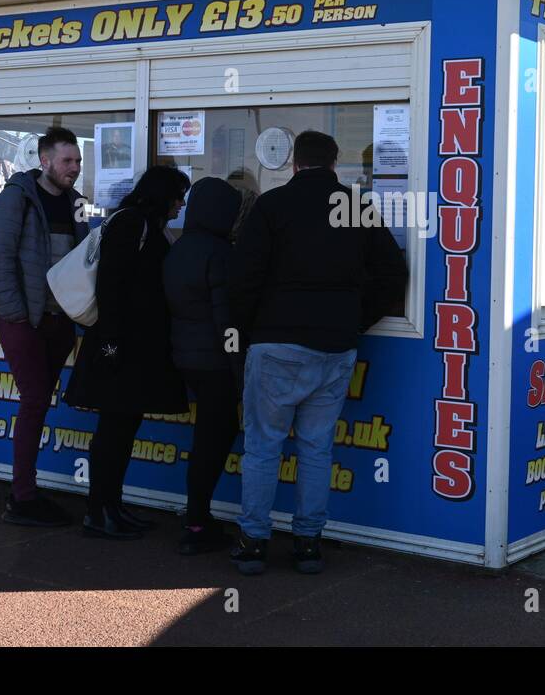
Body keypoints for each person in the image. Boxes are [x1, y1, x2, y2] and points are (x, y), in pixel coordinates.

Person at [227, 130, 408, 575]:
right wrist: (354, 319)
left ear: (293, 164)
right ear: (334, 165)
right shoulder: (354, 207)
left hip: (276, 344)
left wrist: (246, 330)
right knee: (315, 448)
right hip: (335, 346)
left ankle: (253, 542)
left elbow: (244, 278)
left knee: (263, 447)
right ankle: (308, 543)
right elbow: (392, 272)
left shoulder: (271, 206)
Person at [64, 166, 191, 539]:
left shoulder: (148, 225)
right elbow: (111, 286)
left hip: (132, 347)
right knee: (114, 430)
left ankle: (111, 506)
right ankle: (99, 510)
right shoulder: (132, 224)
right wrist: (110, 345)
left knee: (123, 428)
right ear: (160, 195)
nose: (181, 204)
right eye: (177, 196)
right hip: (120, 347)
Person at [0, 126, 88, 526]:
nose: (74, 168)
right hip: (25, 321)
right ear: (44, 161)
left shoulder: (77, 204)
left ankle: (26, 492)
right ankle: (22, 497)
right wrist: (15, 316)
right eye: (67, 161)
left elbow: (82, 260)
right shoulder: (16, 199)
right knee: (33, 401)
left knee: (40, 400)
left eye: (78, 161)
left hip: (60, 320)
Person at [163, 177, 243, 554]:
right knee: (213, 440)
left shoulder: (177, 250)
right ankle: (197, 522)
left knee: (205, 439)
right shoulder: (221, 254)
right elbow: (226, 321)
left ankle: (197, 517)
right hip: (215, 364)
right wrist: (238, 367)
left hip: (185, 358)